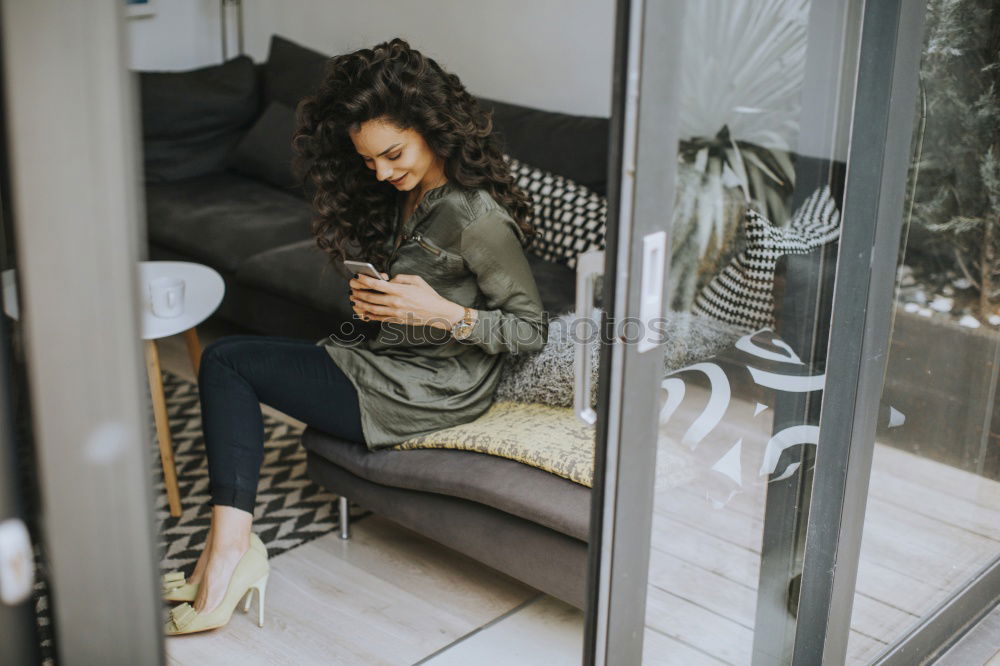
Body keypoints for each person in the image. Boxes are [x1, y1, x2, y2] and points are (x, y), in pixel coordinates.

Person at [163, 38, 548, 636]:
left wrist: (441, 312)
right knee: (231, 360)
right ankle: (226, 551)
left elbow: (529, 329)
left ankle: (229, 555)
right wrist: (383, 305)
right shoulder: (413, 194)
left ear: (430, 126)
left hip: (427, 391)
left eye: (393, 154)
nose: (383, 172)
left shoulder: (477, 218)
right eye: (370, 161)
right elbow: (421, 299)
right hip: (393, 363)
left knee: (226, 363)